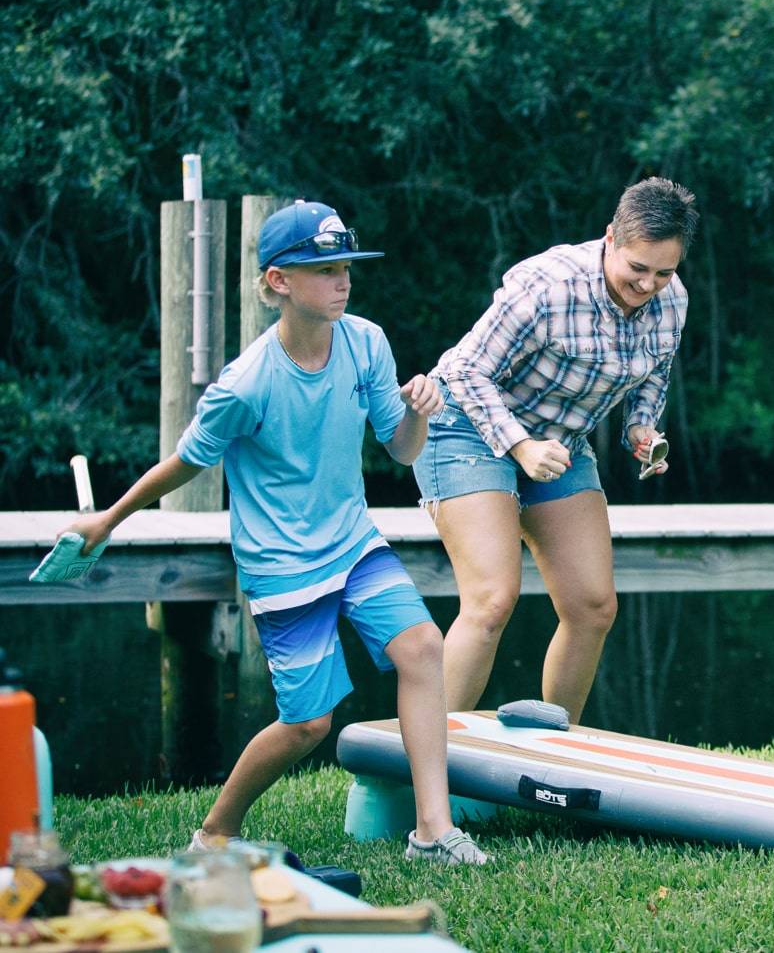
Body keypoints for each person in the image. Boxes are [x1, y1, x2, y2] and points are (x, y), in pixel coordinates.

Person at [62, 200, 489, 866]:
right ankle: (213, 832)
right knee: (307, 726)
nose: (342, 279)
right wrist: (108, 521)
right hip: (283, 563)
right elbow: (184, 463)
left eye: (346, 265)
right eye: (323, 269)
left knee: (423, 646)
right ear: (278, 282)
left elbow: (401, 450)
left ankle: (432, 831)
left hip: (353, 543)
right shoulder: (246, 383)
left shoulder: (367, 343)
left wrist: (419, 415)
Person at [414, 177, 699, 724]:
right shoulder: (548, 286)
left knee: (593, 607)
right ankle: (417, 768)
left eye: (664, 272)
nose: (648, 285)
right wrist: (518, 446)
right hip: (465, 427)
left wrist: (641, 430)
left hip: (559, 443)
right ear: (611, 238)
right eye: (638, 268)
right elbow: (463, 370)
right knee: (492, 600)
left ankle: (547, 753)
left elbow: (653, 375)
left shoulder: (672, 300)